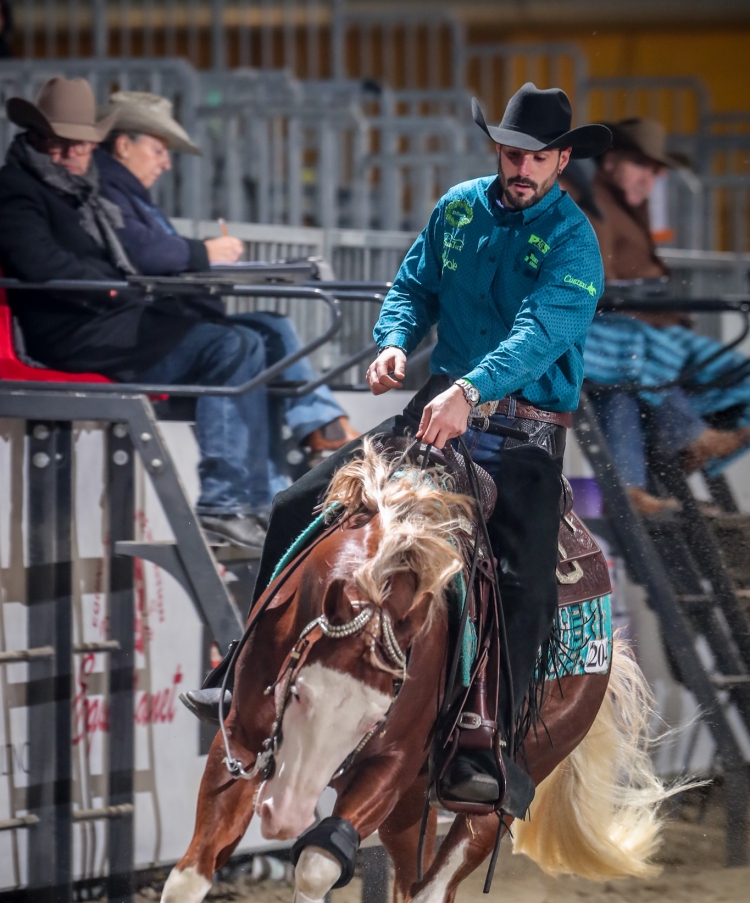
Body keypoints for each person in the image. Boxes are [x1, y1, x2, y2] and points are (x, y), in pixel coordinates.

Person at [185, 83, 610, 807]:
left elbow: (542, 332)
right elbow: (413, 285)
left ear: (561, 160)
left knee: (524, 575)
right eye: (510, 153)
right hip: (437, 407)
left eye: (536, 158)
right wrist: (391, 341)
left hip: (523, 432)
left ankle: (492, 740)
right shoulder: (457, 208)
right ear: (496, 150)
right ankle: (247, 673)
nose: (520, 167)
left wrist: (469, 390)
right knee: (297, 504)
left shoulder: (574, 241)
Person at [0, 77, 282, 554]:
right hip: (72, 332)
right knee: (232, 345)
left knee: (255, 337)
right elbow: (41, 264)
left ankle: (247, 500)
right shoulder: (17, 189)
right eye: (60, 142)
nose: (73, 153)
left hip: (110, 319)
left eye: (83, 144)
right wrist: (117, 285)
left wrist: (124, 286)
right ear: (36, 138)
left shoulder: (82, 191)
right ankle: (224, 505)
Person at [93, 91, 357, 475]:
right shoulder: (108, 192)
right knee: (246, 346)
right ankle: (302, 448)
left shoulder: (125, 194)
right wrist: (206, 253)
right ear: (122, 145)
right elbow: (146, 253)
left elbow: (152, 252)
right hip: (145, 335)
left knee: (272, 327)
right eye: (157, 150)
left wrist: (201, 256)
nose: (166, 163)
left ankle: (321, 430)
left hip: (158, 325)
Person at [564, 118, 750, 514]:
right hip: (613, 331)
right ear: (611, 161)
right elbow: (594, 282)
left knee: (629, 386)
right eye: (642, 166)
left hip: (637, 331)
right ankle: (690, 441)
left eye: (656, 171)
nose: (651, 179)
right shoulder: (592, 202)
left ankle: (658, 470)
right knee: (634, 360)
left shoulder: (624, 202)